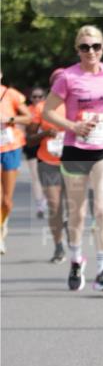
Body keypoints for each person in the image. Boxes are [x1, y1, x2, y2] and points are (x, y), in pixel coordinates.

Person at [43, 25, 103, 292]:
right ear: (77, 50)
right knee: (77, 213)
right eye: (84, 47)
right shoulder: (68, 77)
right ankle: (76, 260)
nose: (90, 51)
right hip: (75, 149)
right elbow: (48, 112)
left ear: (102, 48)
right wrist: (73, 126)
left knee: (102, 209)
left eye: (95, 46)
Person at [33, 69, 67, 263]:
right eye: (57, 82)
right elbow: (30, 138)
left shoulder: (76, 105)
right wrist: (45, 133)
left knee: (75, 206)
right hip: (48, 162)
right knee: (54, 205)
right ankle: (58, 246)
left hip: (74, 163)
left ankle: (70, 231)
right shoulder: (41, 107)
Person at [0, 71, 32, 255]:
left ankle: (3, 223)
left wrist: (9, 119)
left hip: (11, 147)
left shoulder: (11, 94)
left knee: (6, 200)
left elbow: (28, 118)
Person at [25, 86, 48, 219]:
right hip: (33, 144)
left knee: (48, 174)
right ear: (30, 98)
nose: (37, 99)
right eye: (34, 96)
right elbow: (21, 126)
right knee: (35, 176)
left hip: (47, 145)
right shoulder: (27, 110)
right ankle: (40, 204)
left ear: (44, 97)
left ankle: (47, 197)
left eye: (40, 96)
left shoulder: (49, 109)